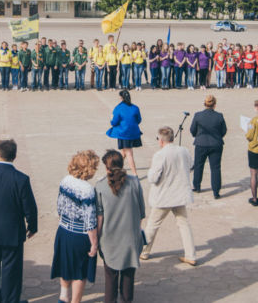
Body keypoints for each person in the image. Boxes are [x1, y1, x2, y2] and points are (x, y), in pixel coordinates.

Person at [0, 139, 38, 303]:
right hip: (12, 233)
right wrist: (32, 226)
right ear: (14, 156)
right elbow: (29, 207)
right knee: (11, 271)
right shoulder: (21, 179)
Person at [140, 127, 196, 266]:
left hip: (164, 196)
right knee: (184, 224)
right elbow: (191, 165)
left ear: (161, 140)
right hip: (180, 194)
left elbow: (153, 178)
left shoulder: (160, 155)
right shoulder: (184, 151)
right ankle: (191, 254)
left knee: (152, 225)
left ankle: (144, 251)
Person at [96, 150, 145, 303]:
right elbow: (141, 212)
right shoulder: (135, 183)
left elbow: (99, 217)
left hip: (109, 240)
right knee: (128, 276)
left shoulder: (100, 187)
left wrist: (96, 240)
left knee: (110, 277)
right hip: (130, 239)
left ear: (106, 167)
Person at [51, 150, 99, 303]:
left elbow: (59, 206)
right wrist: (94, 243)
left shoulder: (65, 181)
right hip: (80, 235)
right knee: (80, 272)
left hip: (63, 230)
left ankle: (63, 296)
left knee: (65, 266)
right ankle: (75, 301)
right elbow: (90, 221)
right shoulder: (88, 190)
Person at [190, 95, 227, 199]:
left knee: (198, 165)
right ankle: (216, 191)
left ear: (204, 104)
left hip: (201, 143)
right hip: (216, 143)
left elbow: (192, 130)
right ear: (214, 105)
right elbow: (224, 131)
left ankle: (197, 186)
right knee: (215, 168)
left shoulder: (198, 115)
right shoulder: (219, 116)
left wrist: (197, 136)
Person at [106, 90, 142, 177]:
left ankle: (134, 174)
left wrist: (111, 120)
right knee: (123, 152)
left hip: (124, 133)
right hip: (133, 132)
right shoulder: (135, 107)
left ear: (121, 98)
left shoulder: (118, 108)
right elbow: (139, 120)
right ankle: (113, 168)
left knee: (128, 152)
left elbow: (114, 122)